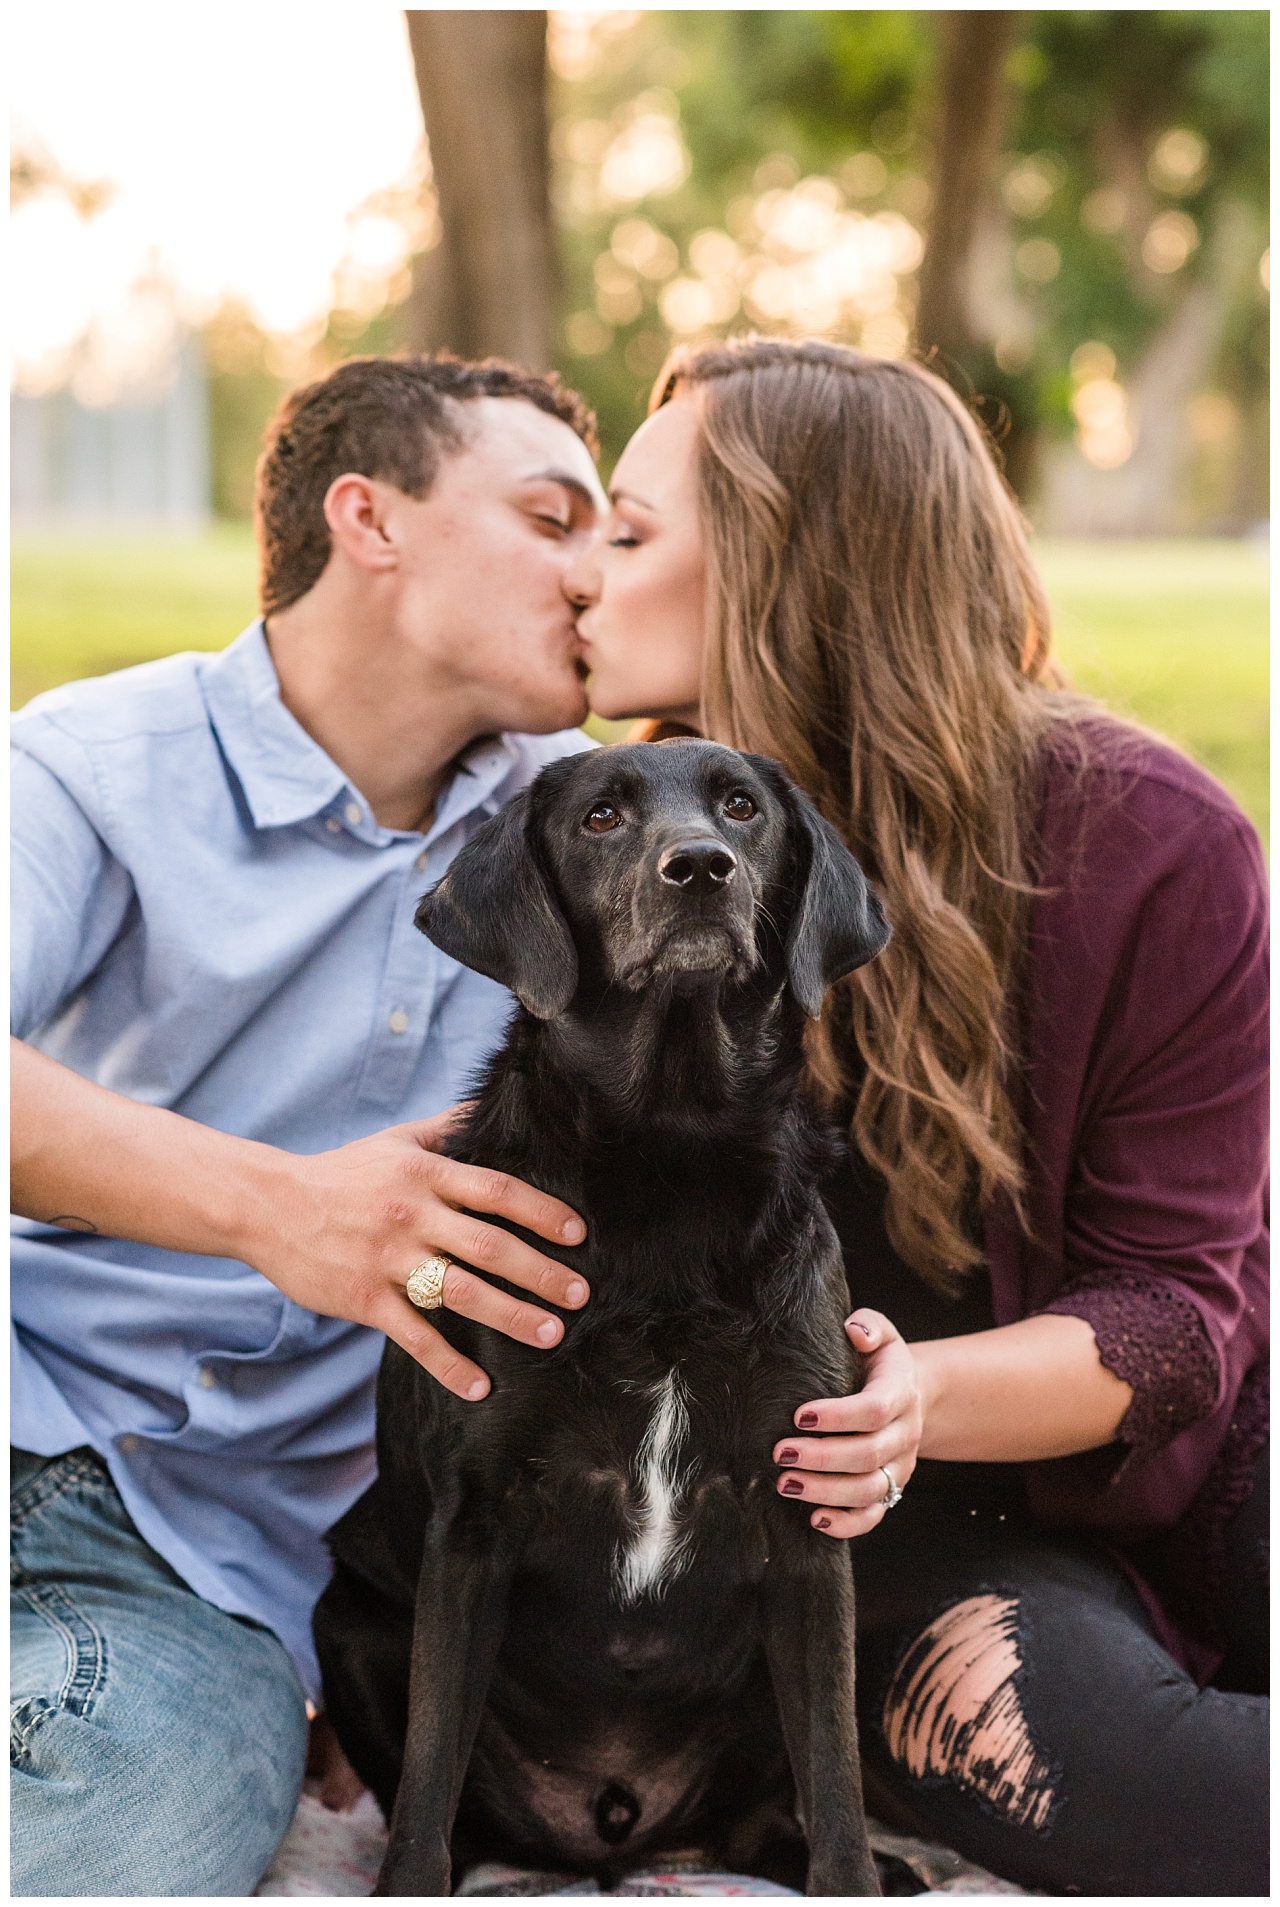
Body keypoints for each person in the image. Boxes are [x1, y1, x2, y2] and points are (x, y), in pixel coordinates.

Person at [566, 336, 1268, 1898]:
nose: (580, 577)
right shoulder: (609, 856)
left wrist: (917, 1392)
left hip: (1189, 1449)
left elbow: (1178, 1309)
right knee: (1202, 1807)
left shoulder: (1154, 842)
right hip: (869, 1536)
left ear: (778, 568)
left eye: (627, 531)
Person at [9, 354, 610, 1896]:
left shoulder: (592, 837)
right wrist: (278, 1210)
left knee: (146, 1820)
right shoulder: (90, 766)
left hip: (185, 1572)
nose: (591, 572)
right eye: (552, 519)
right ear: (371, 519)